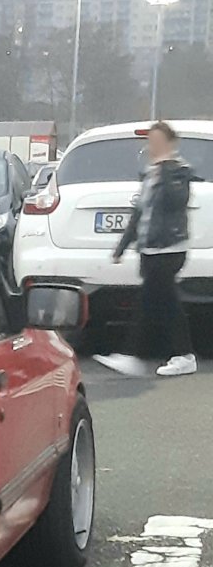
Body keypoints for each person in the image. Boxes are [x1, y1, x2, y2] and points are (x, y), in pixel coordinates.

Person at [95, 121, 197, 378]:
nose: (153, 147)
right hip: (150, 249)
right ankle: (146, 355)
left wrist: (164, 166)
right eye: (151, 142)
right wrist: (121, 247)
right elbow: (139, 214)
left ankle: (153, 355)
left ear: (171, 144)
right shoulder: (151, 174)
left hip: (170, 248)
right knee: (157, 302)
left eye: (159, 141)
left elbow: (176, 201)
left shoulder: (177, 172)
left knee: (158, 301)